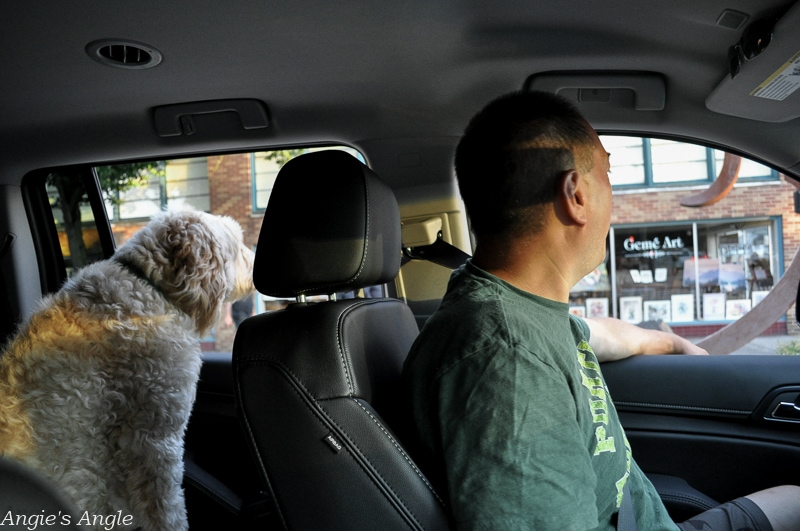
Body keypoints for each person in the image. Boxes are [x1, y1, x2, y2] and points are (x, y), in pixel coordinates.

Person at [401, 90, 800, 530]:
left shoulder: (520, 311)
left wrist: (668, 341)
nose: (613, 195)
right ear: (575, 194)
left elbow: (598, 334)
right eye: (607, 175)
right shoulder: (506, 359)